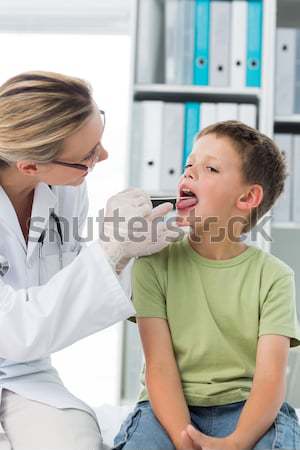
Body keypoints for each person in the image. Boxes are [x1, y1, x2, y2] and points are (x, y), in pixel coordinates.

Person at [0, 71, 177, 450]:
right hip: (16, 347)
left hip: (25, 375)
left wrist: (125, 253)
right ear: (29, 165)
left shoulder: (62, 189)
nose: (104, 157)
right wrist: (111, 250)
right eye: (87, 158)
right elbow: (14, 330)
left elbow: (70, 279)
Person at [113, 121, 300, 450]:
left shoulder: (274, 276)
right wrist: (184, 439)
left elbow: (270, 379)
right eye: (188, 166)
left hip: (247, 409)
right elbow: (159, 366)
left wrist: (237, 442)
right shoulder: (153, 263)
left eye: (210, 168)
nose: (189, 174)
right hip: (167, 409)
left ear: (247, 197)